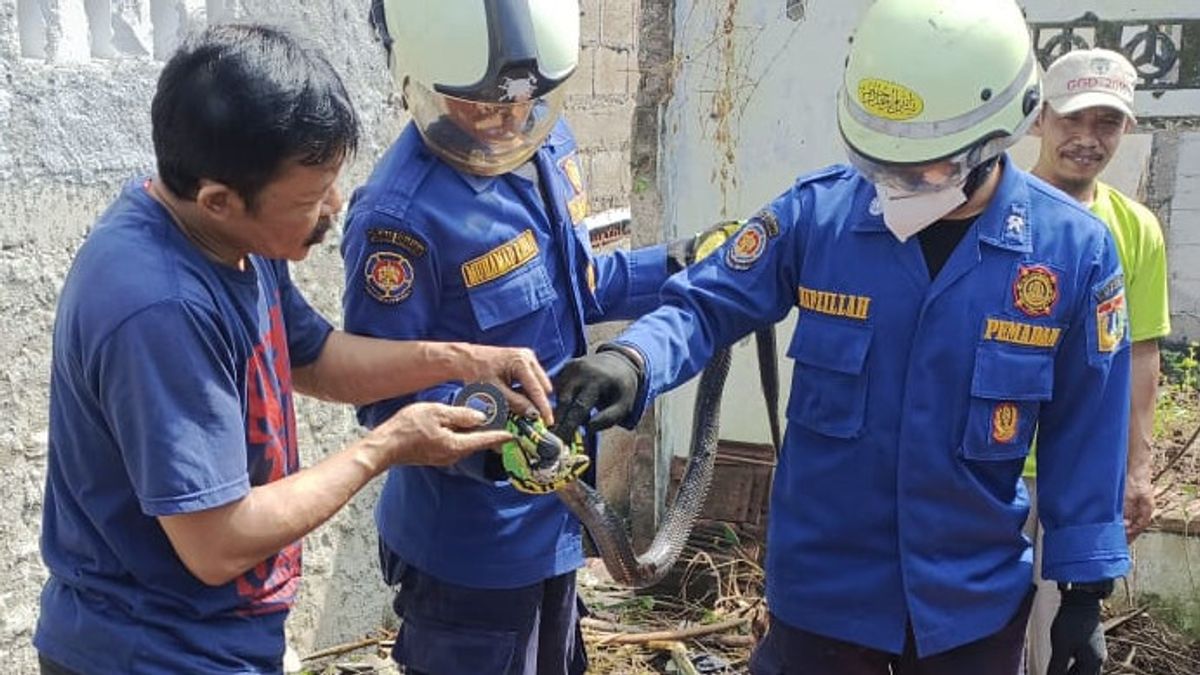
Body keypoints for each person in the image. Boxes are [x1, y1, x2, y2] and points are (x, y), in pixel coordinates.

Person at [553, 1, 1133, 674]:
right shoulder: (818, 215)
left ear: (996, 137)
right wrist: (632, 360)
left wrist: (1083, 591)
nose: (895, 186)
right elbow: (708, 304)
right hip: (822, 605)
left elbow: (1086, 431)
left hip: (968, 611)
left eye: (923, 169)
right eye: (882, 162)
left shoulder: (1073, 253)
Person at [33, 24, 555, 675]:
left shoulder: (231, 236)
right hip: (151, 653)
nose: (334, 210)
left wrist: (460, 358)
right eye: (311, 198)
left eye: (333, 185)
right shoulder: (158, 306)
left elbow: (316, 359)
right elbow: (216, 542)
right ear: (219, 199)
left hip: (219, 640)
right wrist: (386, 445)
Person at [340, 2, 691, 673]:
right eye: (482, 105)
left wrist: (681, 261)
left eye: (527, 102)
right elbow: (380, 394)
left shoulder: (545, 147)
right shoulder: (400, 216)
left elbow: (580, 284)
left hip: (556, 529)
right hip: (471, 553)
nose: (505, 122)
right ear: (423, 78)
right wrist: (498, 443)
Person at [1022, 47, 1171, 675]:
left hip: (1081, 477)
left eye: (1106, 123)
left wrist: (1136, 469)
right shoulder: (995, 212)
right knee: (978, 635)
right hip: (987, 471)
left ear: (1127, 129)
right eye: (1071, 120)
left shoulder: (1133, 229)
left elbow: (1140, 356)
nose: (1087, 139)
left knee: (1069, 643)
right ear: (1038, 119)